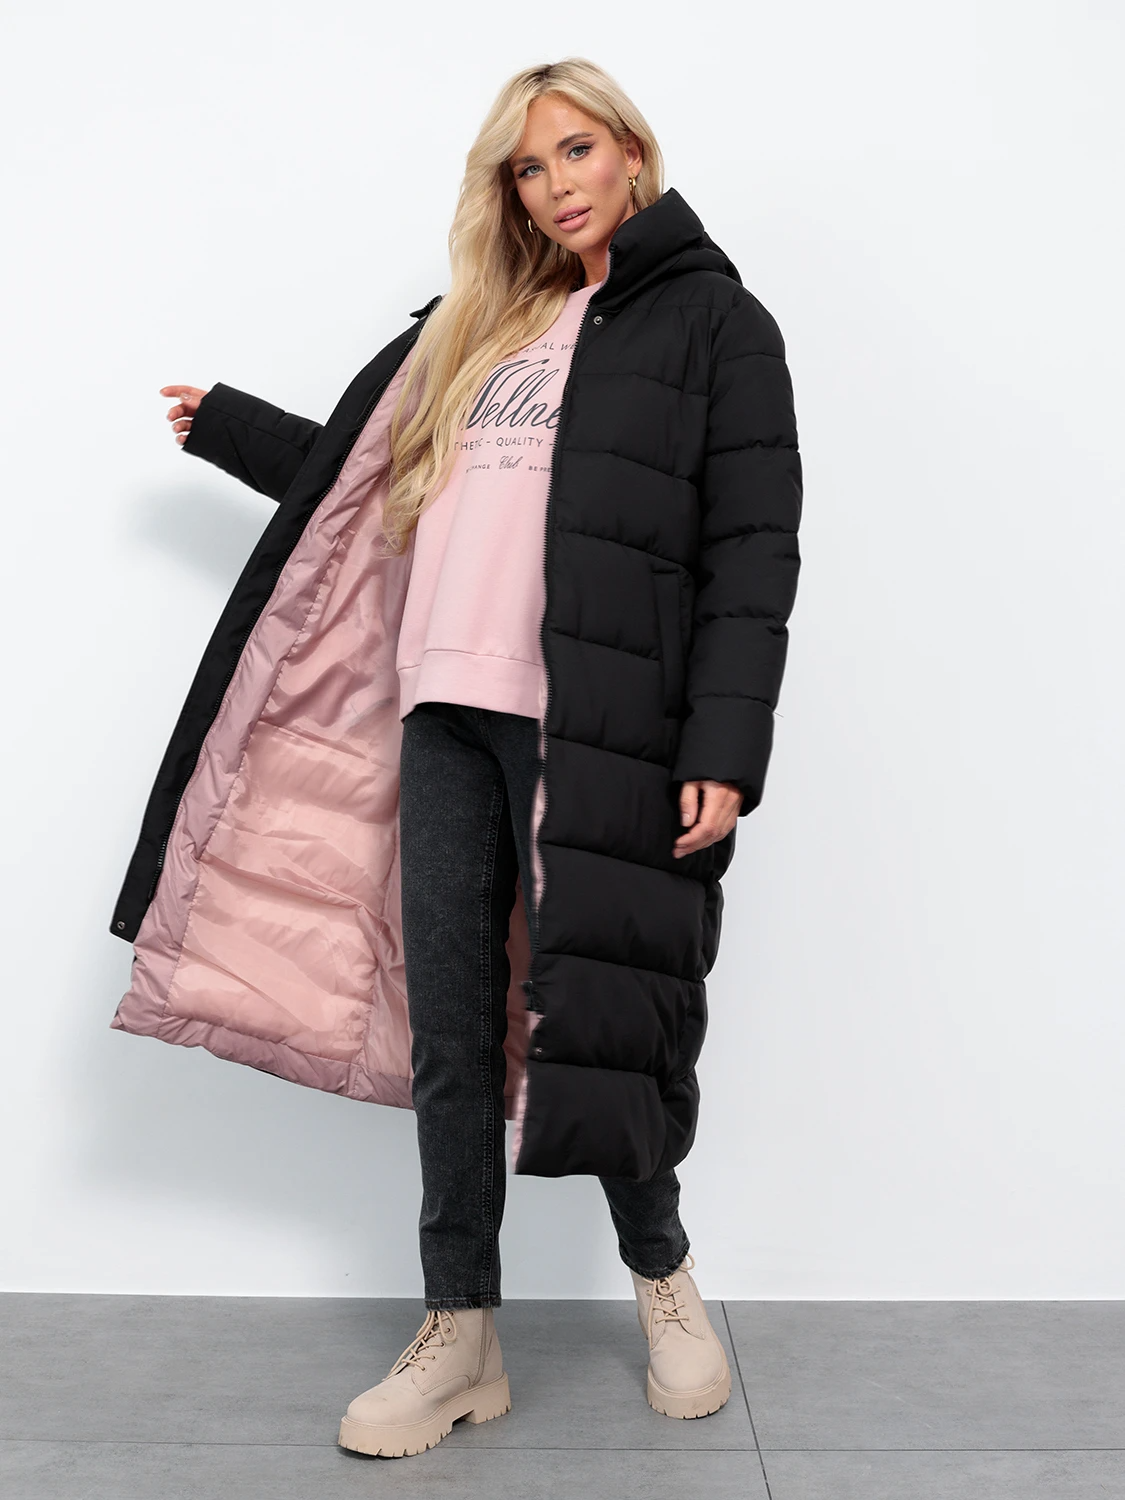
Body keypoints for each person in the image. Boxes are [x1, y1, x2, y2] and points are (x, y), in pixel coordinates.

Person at [110, 57, 801, 1459]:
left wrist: (725, 747)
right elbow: (368, 484)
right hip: (441, 712)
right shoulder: (478, 325)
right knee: (451, 1036)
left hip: (588, 723)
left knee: (599, 1022)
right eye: (528, 169)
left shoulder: (717, 325)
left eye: (576, 151)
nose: (555, 185)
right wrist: (234, 429)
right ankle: (459, 1330)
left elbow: (751, 548)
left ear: (631, 152)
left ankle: (663, 1276)